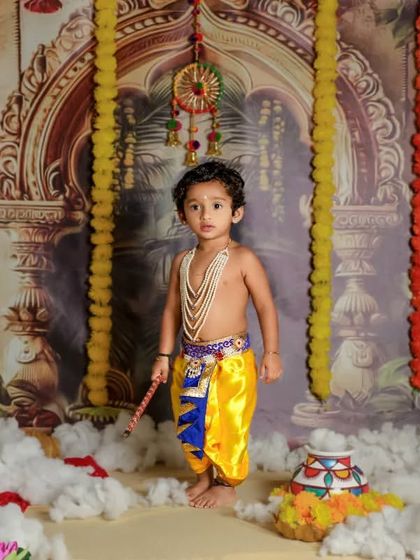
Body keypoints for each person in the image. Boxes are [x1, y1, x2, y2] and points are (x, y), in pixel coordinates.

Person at [151, 160, 283, 508]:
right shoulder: (183, 260)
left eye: (217, 205)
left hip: (231, 362)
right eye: (195, 206)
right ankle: (203, 476)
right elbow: (172, 311)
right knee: (190, 421)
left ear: (236, 213)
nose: (205, 214)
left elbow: (266, 307)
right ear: (182, 215)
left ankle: (226, 482)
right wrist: (162, 356)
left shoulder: (243, 259)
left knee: (228, 424)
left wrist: (271, 353)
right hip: (190, 359)